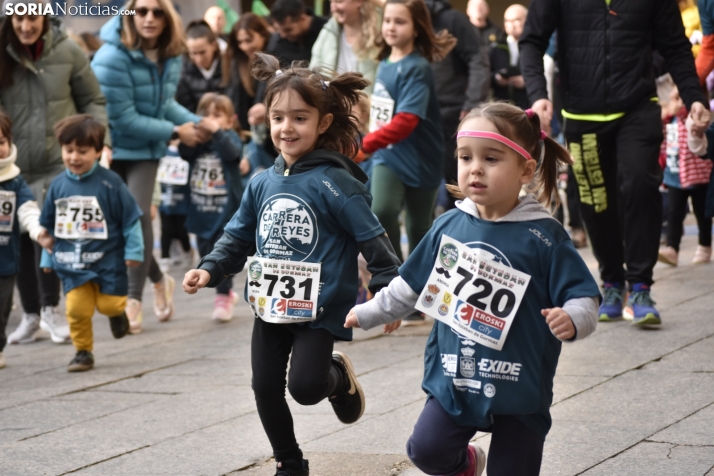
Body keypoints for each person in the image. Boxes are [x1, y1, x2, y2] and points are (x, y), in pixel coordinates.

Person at [346, 103, 601, 476]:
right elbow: (411, 285)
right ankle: (467, 464)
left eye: (491, 158)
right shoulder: (448, 226)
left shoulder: (544, 236)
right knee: (426, 451)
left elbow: (584, 296)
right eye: (465, 157)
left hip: (520, 382)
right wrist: (369, 312)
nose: (475, 168)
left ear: (526, 169)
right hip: (456, 376)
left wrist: (574, 318)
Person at [182, 53, 402, 476]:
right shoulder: (262, 181)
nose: (287, 128)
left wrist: (387, 287)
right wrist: (210, 268)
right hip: (270, 303)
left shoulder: (336, 182)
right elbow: (238, 234)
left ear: (323, 123)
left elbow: (372, 236)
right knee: (264, 386)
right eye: (278, 117)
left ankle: (335, 376)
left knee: (304, 389)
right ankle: (289, 461)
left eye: (300, 118)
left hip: (321, 307)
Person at [520, 0, 711, 325]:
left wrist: (695, 97)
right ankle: (611, 282)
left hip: (637, 106)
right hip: (581, 112)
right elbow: (532, 40)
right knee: (596, 200)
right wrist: (539, 94)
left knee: (640, 183)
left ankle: (640, 286)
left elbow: (676, 46)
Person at [92, 0, 207, 334]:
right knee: (120, 225)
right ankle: (158, 279)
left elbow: (164, 104)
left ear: (167, 17)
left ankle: (132, 299)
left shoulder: (170, 54)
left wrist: (201, 122)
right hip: (113, 147)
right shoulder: (111, 57)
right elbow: (122, 118)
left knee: (139, 216)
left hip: (145, 150)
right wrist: (175, 132)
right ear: (129, 14)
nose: (149, 18)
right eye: (140, 11)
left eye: (157, 11)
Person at [0, 0, 110, 345]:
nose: (25, 25)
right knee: (17, 238)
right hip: (12, 163)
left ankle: (50, 309)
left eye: (32, 17)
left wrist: (97, 140)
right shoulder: (2, 50)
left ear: (45, 16)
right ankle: (30, 315)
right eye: (18, 17)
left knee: (46, 234)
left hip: (55, 160)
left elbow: (93, 100)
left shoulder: (67, 50)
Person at [361, 0, 454, 290]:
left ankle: (420, 289)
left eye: (399, 21)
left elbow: (407, 120)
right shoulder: (383, 62)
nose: (390, 27)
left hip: (421, 156)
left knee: (418, 227)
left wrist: (365, 144)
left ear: (416, 28)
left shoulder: (417, 67)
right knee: (381, 209)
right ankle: (398, 282)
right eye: (387, 20)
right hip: (387, 155)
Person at [39, 115, 144, 372]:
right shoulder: (57, 186)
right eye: (68, 150)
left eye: (82, 151)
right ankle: (83, 351)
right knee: (76, 309)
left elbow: (130, 220)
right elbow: (49, 228)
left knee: (109, 304)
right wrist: (47, 258)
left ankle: (118, 314)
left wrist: (134, 251)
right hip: (72, 262)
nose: (74, 157)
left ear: (99, 151)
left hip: (108, 260)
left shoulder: (111, 183)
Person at [180, 93, 244, 321]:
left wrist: (217, 132)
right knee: (204, 249)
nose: (210, 119)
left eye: (217, 115)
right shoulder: (200, 144)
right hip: (201, 210)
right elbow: (184, 152)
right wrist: (192, 135)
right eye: (205, 114)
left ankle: (223, 296)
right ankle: (225, 291)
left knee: (221, 253)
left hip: (225, 212)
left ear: (230, 121)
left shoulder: (230, 138)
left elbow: (232, 153)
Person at [0, 112, 54, 369]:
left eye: (0, 142)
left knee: (3, 305)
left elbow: (28, 209)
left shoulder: (14, 179)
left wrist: (39, 231)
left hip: (5, 259)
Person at [425, 0, 490, 211]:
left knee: (457, 183)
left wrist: (472, 104)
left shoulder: (452, 19)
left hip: (453, 115)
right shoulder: (409, 20)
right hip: (418, 116)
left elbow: (478, 60)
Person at [658, 85, 712, 267]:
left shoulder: (696, 118)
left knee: (702, 213)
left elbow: (690, 121)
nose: (677, 104)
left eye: (681, 99)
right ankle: (672, 248)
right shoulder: (669, 119)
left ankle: (705, 245)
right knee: (674, 213)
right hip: (674, 174)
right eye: (674, 99)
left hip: (699, 175)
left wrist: (683, 109)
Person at [309, 0, 382, 91]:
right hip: (331, 100)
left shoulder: (380, 34)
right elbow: (312, 74)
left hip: (366, 102)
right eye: (331, 2)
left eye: (339, 2)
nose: (333, 8)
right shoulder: (328, 32)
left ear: (359, 2)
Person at [223, 13, 272, 130]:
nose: (244, 47)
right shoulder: (237, 62)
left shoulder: (275, 57)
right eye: (240, 42)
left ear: (263, 35)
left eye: (248, 40)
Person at [157, 142, 193, 271]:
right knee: (166, 230)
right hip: (165, 199)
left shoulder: (186, 152)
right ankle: (165, 257)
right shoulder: (160, 152)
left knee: (182, 231)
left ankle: (188, 253)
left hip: (182, 200)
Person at [176, 20, 225, 114]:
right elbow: (185, 105)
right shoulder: (183, 71)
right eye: (193, 53)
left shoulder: (228, 67)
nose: (199, 59)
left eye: (202, 52)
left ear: (214, 45)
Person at [489, 4, 528, 109]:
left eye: (516, 20)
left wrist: (527, 81)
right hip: (502, 105)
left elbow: (545, 73)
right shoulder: (496, 47)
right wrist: (496, 78)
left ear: (527, 20)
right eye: (507, 21)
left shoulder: (534, 47)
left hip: (528, 105)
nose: (512, 24)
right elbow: (484, 74)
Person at [267, 0, 327, 67]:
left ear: (303, 19)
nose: (282, 35)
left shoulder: (327, 31)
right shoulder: (277, 42)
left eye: (288, 30)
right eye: (278, 30)